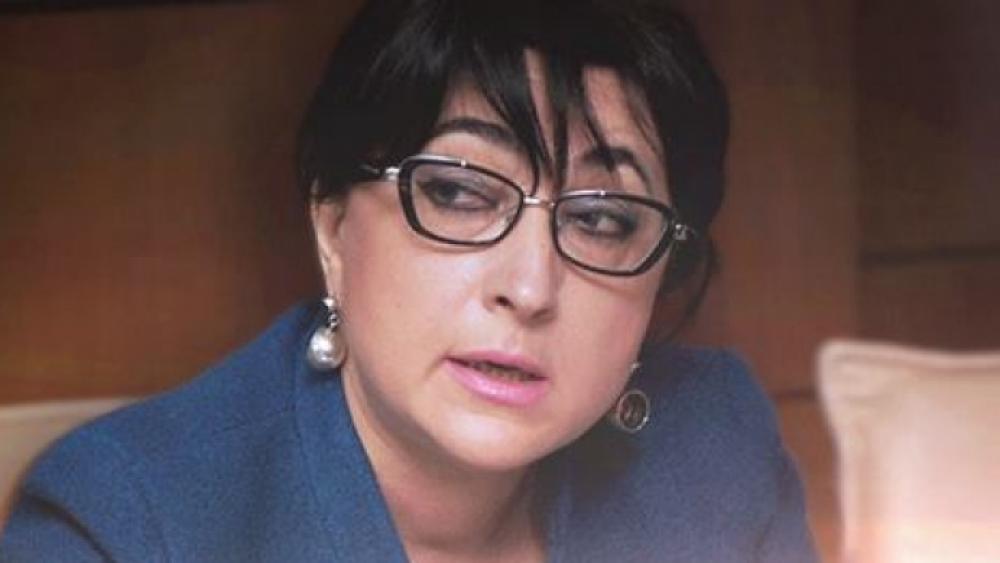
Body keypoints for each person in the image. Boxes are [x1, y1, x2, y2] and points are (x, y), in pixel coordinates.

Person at [0, 0, 817, 561]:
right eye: (459, 192)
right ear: (333, 225)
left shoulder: (716, 449)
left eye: (603, 218)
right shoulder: (125, 526)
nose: (530, 287)